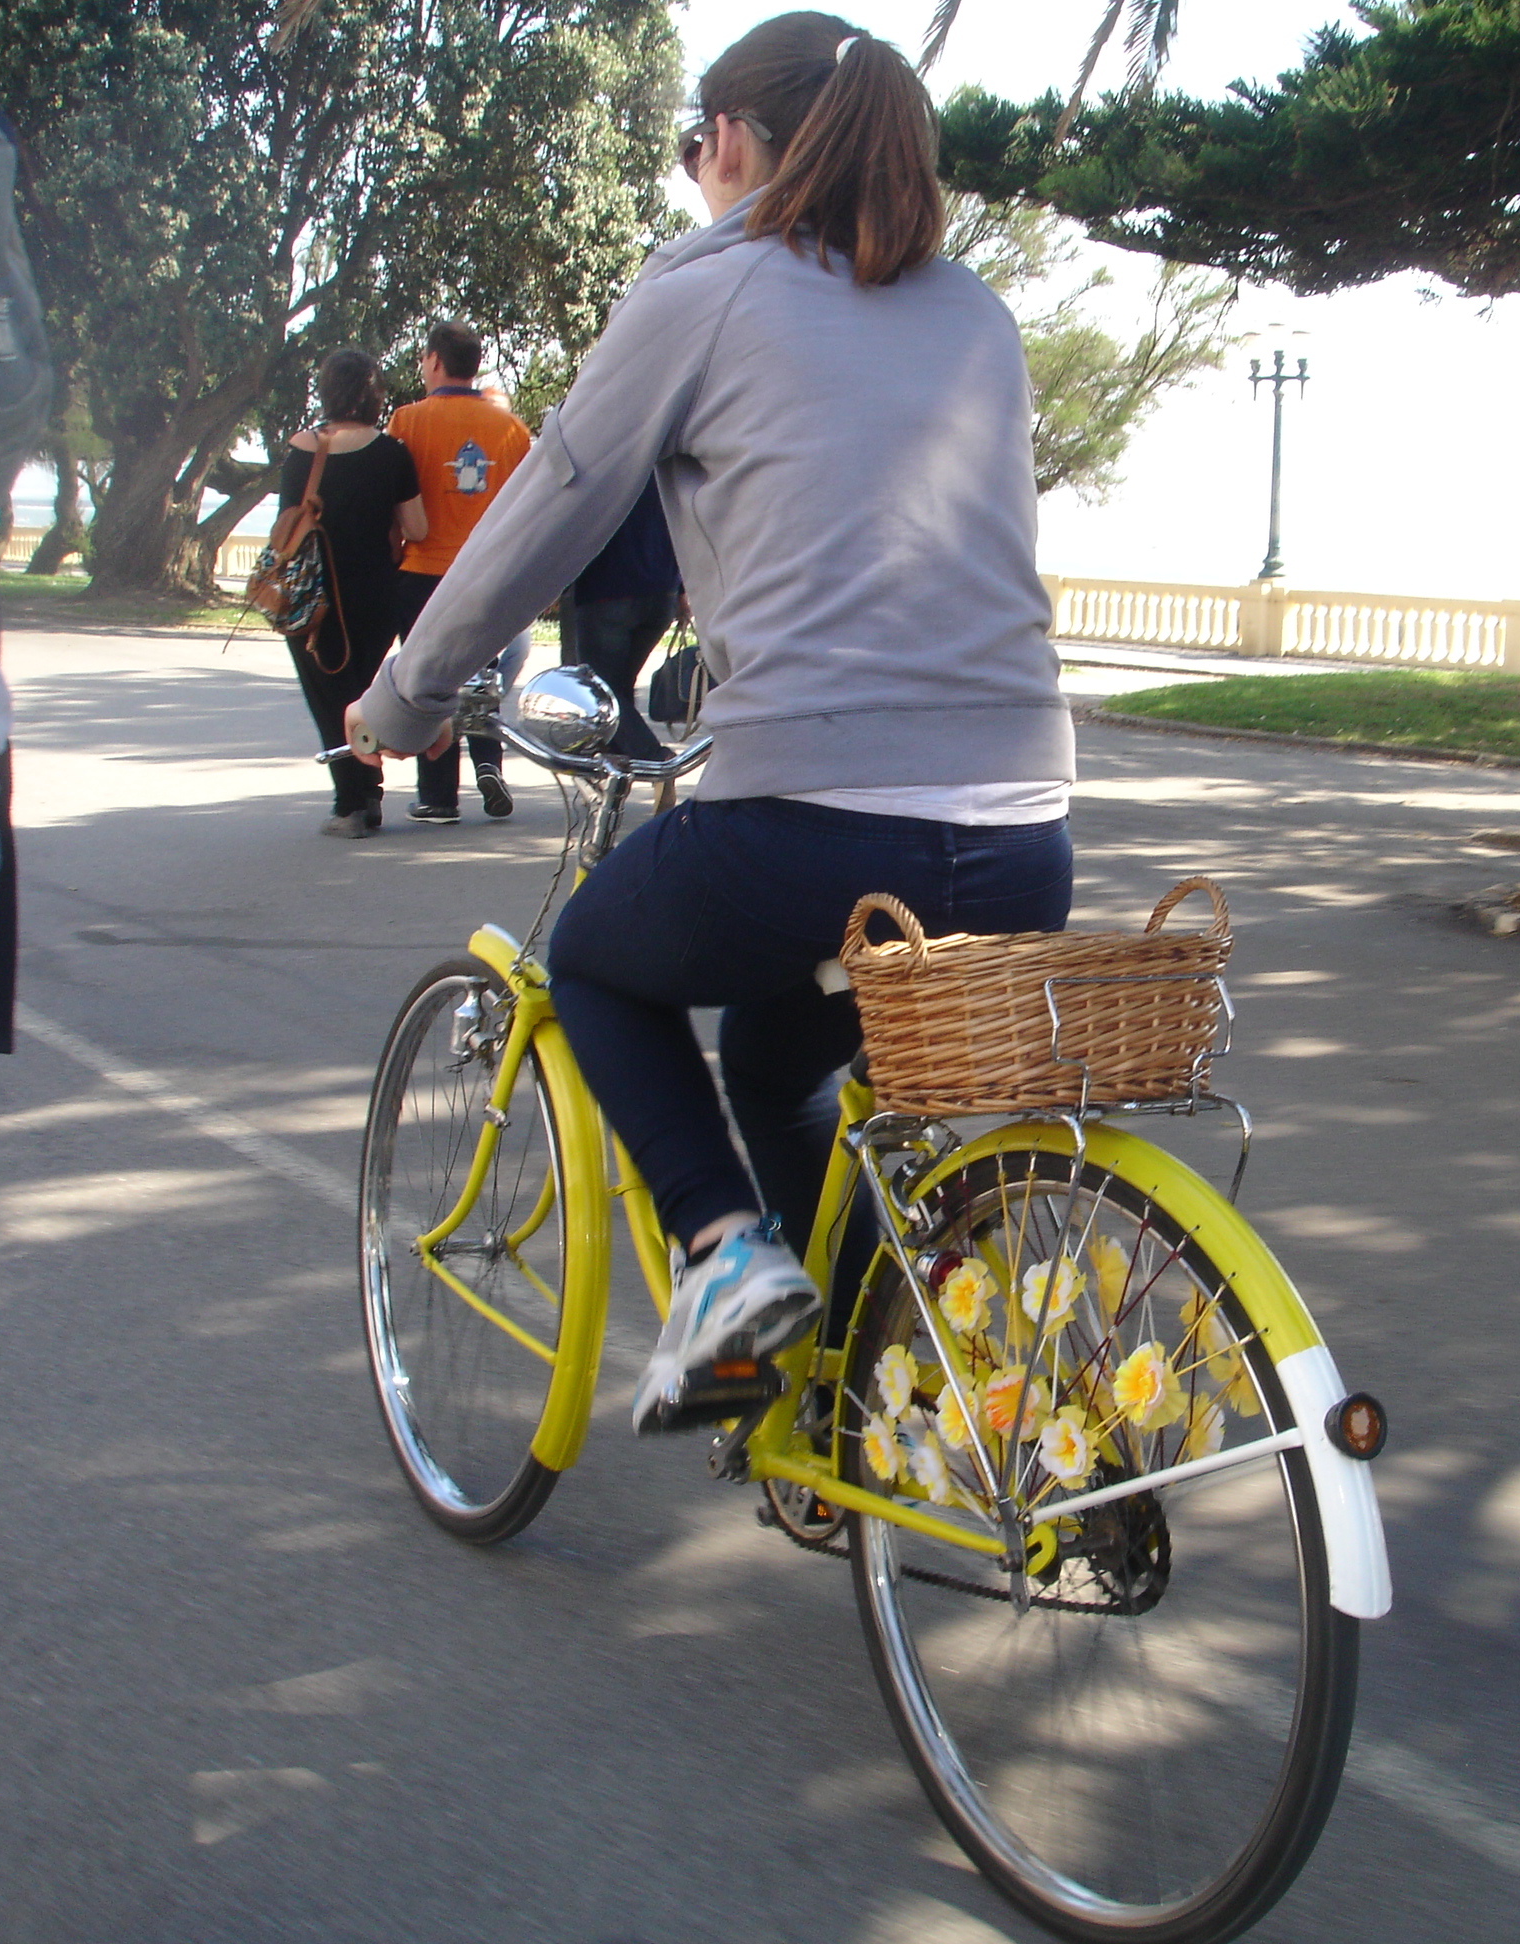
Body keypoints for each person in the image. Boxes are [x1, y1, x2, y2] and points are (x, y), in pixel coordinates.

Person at [350, 12, 1071, 1433]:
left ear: (734, 140)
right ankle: (856, 1397)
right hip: (1025, 839)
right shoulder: (977, 311)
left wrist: (406, 698)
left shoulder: (707, 288)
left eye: (694, 146)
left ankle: (727, 1258)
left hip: (816, 830)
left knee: (594, 962)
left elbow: (548, 511)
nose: (695, 172)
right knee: (772, 1052)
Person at [388, 321, 532, 822]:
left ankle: (438, 795)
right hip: (485, 573)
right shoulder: (511, 430)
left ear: (434, 361)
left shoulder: (407, 421)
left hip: (424, 570)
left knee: (429, 682)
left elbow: (394, 497)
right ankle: (489, 763)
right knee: (482, 676)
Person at [276, 350, 425, 837]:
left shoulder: (301, 449)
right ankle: (370, 793)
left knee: (329, 698)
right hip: (376, 594)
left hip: (314, 596)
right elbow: (418, 528)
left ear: (326, 390)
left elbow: (286, 527)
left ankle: (352, 805)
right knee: (361, 695)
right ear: (375, 394)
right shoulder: (392, 453)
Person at [559, 478, 686, 761]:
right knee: (620, 685)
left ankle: (653, 756)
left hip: (605, 589)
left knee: (600, 689)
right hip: (662, 589)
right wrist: (681, 589)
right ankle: (620, 761)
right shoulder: (666, 468)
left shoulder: (603, 469)